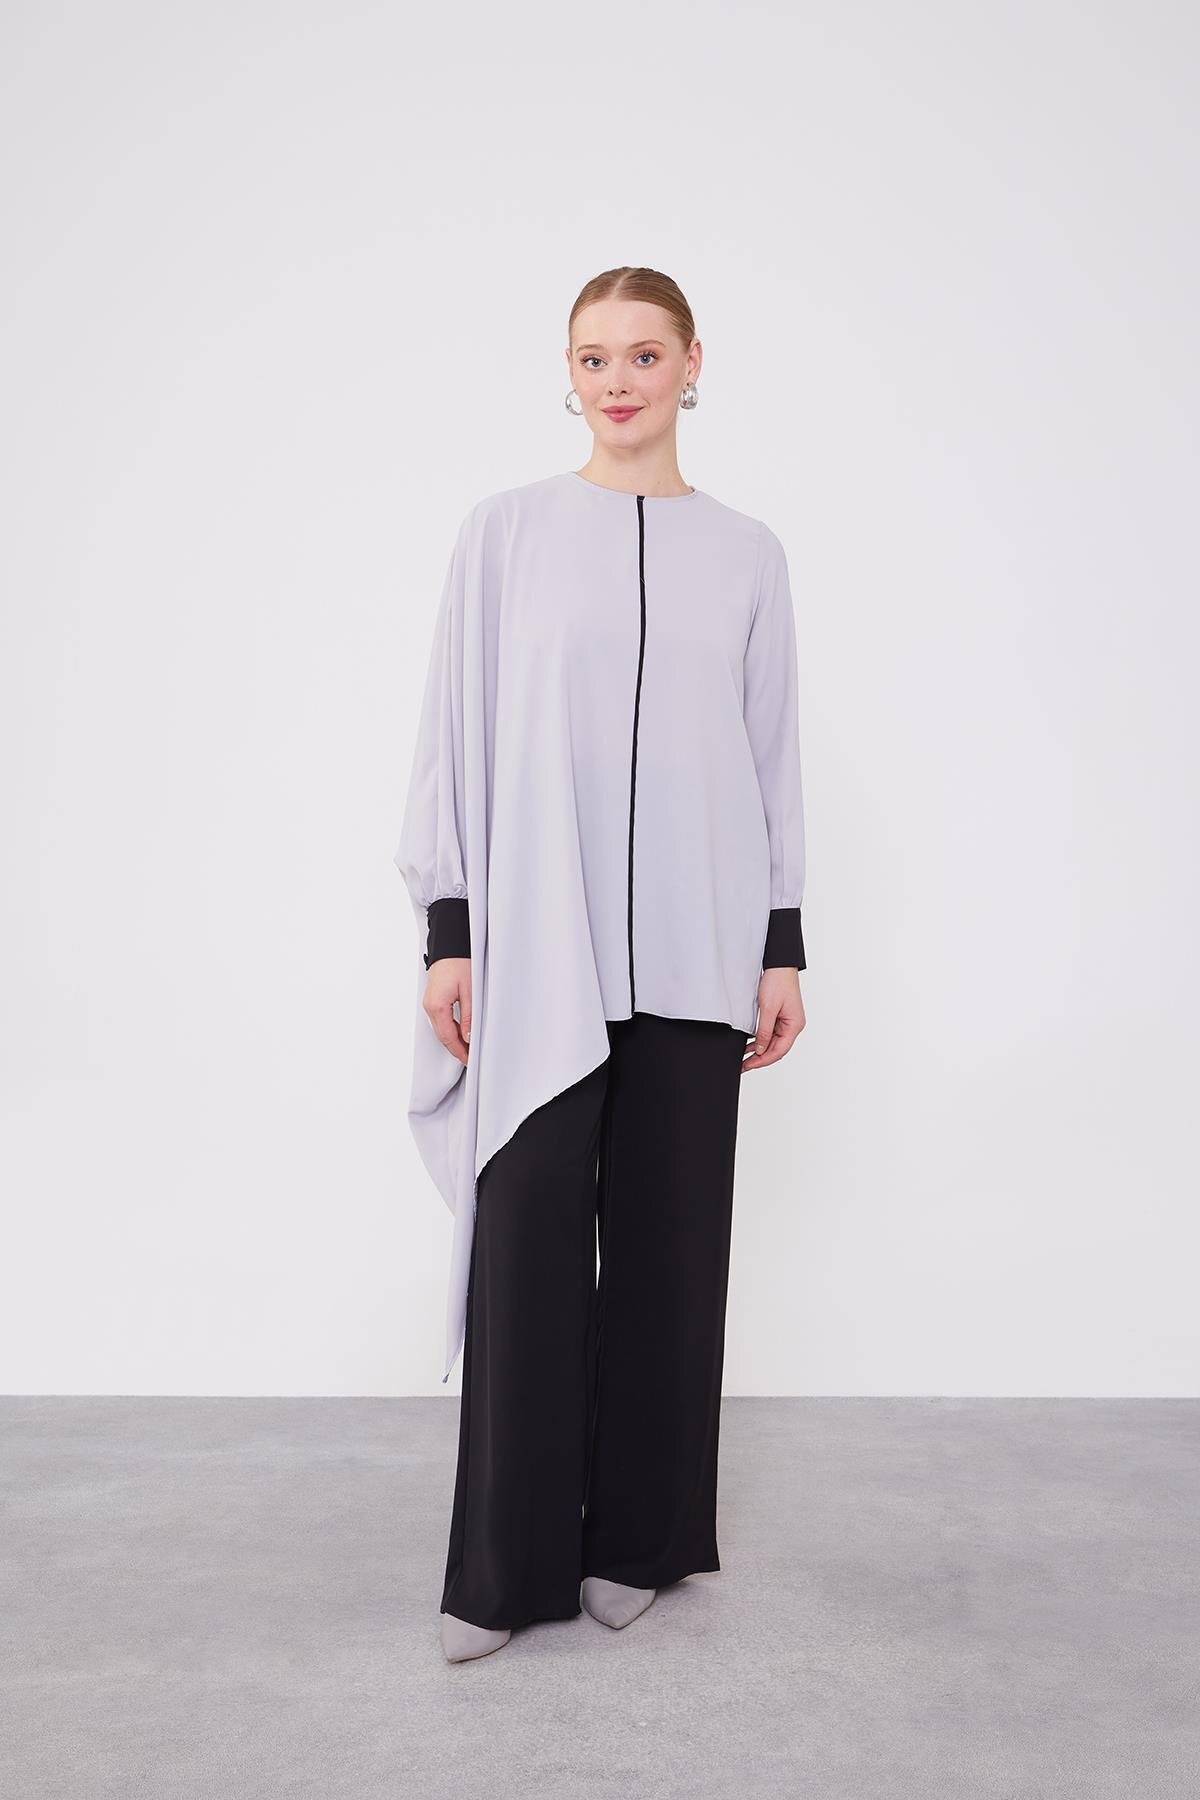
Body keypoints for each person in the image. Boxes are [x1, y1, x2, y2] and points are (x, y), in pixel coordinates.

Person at [394, 266, 808, 1664]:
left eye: (642, 354)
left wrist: (780, 945)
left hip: (699, 946)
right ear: (566, 374)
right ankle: (502, 1570)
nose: (617, 380)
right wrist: (451, 929)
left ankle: (641, 1540)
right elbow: (454, 735)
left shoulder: (748, 554)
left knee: (671, 1257)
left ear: (693, 364)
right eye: (592, 357)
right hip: (542, 950)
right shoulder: (505, 535)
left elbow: (771, 756)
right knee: (525, 1253)